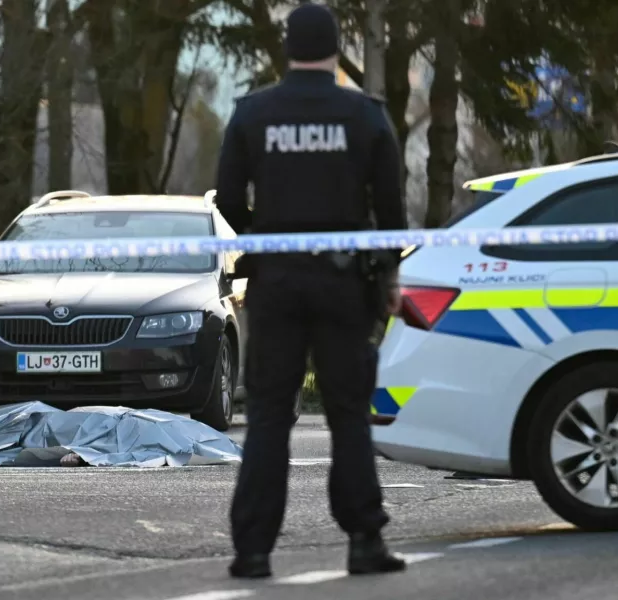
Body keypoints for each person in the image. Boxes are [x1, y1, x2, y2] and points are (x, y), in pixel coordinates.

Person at [215, 2, 409, 580]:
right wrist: (388, 275)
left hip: (275, 283)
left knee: (269, 416)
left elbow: (228, 198)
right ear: (335, 49)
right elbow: (391, 207)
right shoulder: (364, 115)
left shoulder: (253, 114)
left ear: (288, 49)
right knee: (348, 414)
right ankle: (364, 541)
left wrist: (263, 238)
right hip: (343, 284)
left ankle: (253, 551)